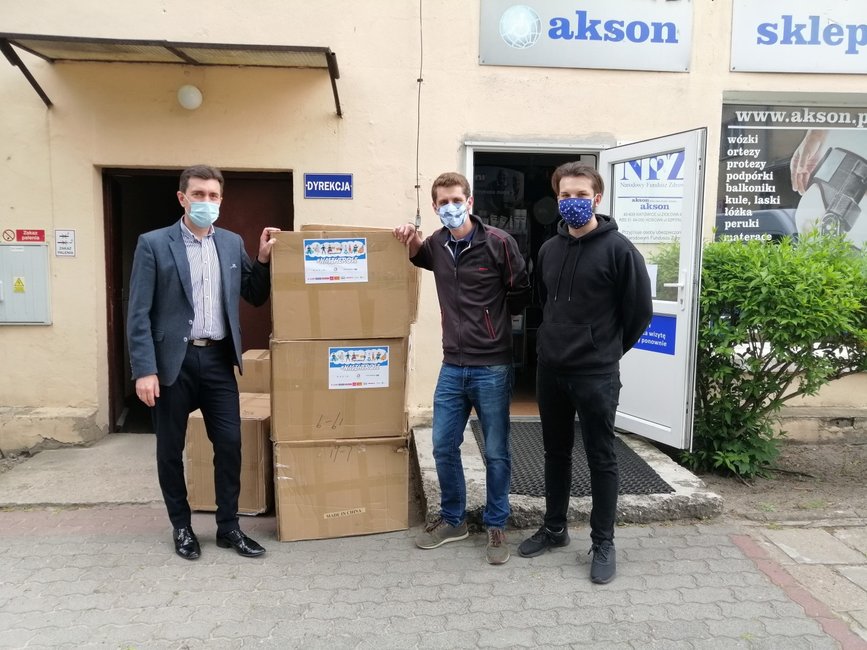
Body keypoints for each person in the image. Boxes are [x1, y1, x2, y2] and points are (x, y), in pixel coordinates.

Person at [127, 164, 279, 560]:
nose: (206, 201)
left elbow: (254, 294)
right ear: (183, 198)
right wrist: (144, 370)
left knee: (229, 443)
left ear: (221, 200)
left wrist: (263, 259)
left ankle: (229, 527)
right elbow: (138, 312)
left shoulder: (229, 243)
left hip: (217, 359)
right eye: (198, 194)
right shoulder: (154, 244)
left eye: (213, 195)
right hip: (171, 363)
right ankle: (181, 526)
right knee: (170, 449)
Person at [517, 162, 652, 584]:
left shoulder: (620, 250)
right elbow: (545, 302)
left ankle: (603, 541)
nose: (572, 201)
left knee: (601, 457)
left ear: (597, 198)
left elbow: (639, 312)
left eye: (580, 195)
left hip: (596, 374)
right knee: (555, 453)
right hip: (551, 371)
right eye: (565, 195)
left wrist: (606, 349)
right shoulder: (548, 250)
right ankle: (554, 528)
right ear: (557, 199)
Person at [393, 172, 530, 565]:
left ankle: (496, 523)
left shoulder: (499, 243)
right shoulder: (437, 244)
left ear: (470, 202)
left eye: (457, 200)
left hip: (492, 365)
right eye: (443, 202)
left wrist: (492, 322)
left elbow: (520, 290)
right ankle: (454, 519)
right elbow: (417, 255)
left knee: (496, 451)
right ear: (434, 207)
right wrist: (410, 236)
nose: (450, 207)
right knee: (442, 445)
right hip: (452, 364)